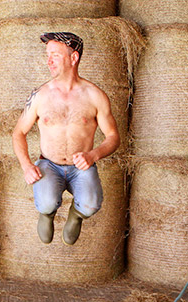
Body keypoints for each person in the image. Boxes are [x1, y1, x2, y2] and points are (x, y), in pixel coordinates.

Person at [12, 32, 120, 245]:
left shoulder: (95, 96)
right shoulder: (39, 95)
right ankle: (47, 214)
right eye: (47, 55)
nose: (48, 60)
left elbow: (113, 137)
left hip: (81, 166)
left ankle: (77, 215)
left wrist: (93, 155)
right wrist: (26, 166)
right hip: (49, 164)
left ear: (74, 58)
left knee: (91, 205)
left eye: (55, 55)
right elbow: (18, 133)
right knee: (46, 203)